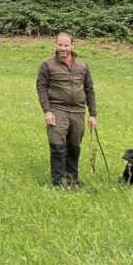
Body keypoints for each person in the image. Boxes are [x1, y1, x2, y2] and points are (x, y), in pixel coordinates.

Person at [36, 32, 97, 188]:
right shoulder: (47, 64)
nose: (63, 48)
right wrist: (47, 111)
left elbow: (89, 89)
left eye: (66, 45)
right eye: (60, 45)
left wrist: (93, 114)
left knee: (74, 147)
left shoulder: (82, 66)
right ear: (56, 45)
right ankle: (58, 182)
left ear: (72, 45)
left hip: (78, 112)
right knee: (57, 145)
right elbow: (41, 87)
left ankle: (72, 179)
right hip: (57, 109)